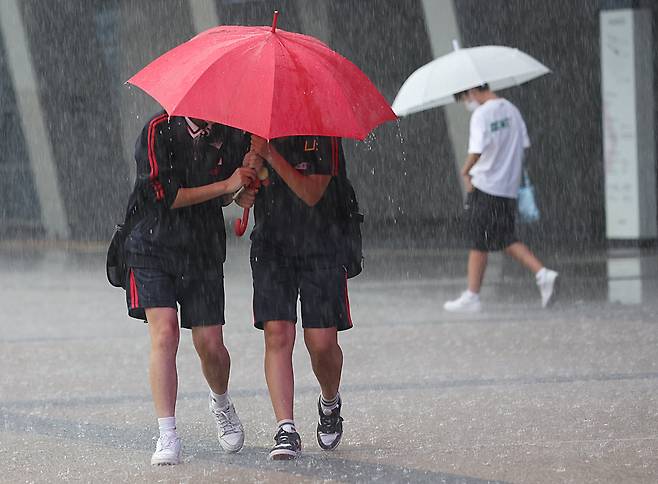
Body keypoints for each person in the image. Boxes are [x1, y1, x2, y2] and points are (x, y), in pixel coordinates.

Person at [123, 112, 259, 465]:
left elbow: (229, 190)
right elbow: (164, 196)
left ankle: (221, 400)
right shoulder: (158, 130)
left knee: (210, 344)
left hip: (203, 250)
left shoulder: (231, 132)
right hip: (152, 245)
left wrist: (239, 193)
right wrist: (226, 187)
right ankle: (167, 433)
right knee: (165, 333)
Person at [247, 134, 352, 460]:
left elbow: (311, 193)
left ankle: (329, 401)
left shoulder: (323, 133)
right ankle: (286, 428)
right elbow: (241, 190)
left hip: (322, 246)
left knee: (321, 343)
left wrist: (271, 155)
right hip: (271, 248)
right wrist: (246, 182)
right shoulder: (256, 127)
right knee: (277, 333)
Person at [444, 85, 558, 313]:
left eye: (465, 97)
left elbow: (476, 150)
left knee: (479, 240)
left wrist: (465, 172)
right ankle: (542, 274)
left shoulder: (482, 114)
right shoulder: (512, 110)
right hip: (507, 188)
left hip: (485, 186)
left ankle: (473, 296)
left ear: (473, 91)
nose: (467, 103)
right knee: (503, 238)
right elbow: (524, 145)